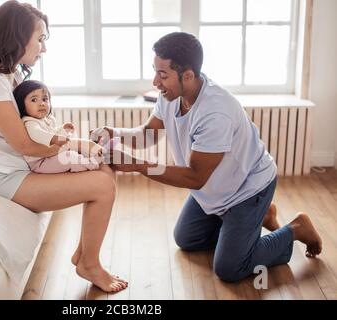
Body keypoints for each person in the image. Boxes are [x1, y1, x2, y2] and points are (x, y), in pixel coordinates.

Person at [93, 32, 322, 282]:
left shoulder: (215, 112)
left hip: (247, 188)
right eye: (155, 71)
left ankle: (295, 229)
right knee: (186, 239)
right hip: (217, 189)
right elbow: (148, 134)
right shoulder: (170, 96)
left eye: (163, 74)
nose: (155, 82)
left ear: (188, 75)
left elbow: (195, 177)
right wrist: (112, 132)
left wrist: (137, 165)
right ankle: (257, 219)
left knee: (230, 268)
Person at [0, 0, 127, 292]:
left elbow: (32, 128)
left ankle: (85, 256)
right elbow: (26, 143)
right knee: (102, 186)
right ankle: (90, 263)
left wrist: (65, 138)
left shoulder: (6, 74)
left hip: (16, 166)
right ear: (18, 37)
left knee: (105, 170)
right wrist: (75, 145)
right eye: (41, 39)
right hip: (0, 176)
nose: (43, 48)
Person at [13, 80, 106, 173]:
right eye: (34, 100)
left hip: (49, 156)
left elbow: (51, 132)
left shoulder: (46, 120)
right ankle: (89, 164)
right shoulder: (29, 122)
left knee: (69, 140)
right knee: (70, 156)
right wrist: (54, 139)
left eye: (45, 99)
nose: (42, 103)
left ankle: (88, 155)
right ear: (23, 105)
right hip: (39, 162)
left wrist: (63, 129)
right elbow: (37, 134)